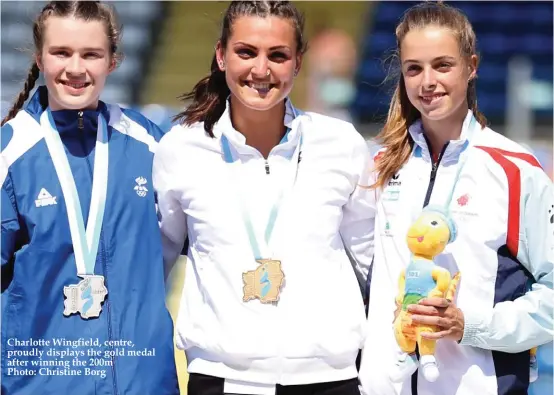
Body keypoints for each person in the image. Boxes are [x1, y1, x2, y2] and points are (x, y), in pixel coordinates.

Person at [153, 1, 375, 394]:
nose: (261, 69)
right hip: (222, 377)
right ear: (221, 55)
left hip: (329, 379)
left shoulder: (341, 144)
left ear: (298, 62)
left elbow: (371, 262)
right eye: (246, 52)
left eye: (278, 55)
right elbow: (156, 264)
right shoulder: (181, 150)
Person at [358, 2, 553, 395]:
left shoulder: (515, 169)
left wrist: (470, 324)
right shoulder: (377, 167)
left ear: (472, 66)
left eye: (442, 65)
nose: (427, 81)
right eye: (414, 68)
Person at [1, 2, 179, 394]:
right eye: (61, 52)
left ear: (113, 61)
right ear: (39, 57)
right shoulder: (10, 153)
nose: (76, 68)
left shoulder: (151, 144)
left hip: (143, 382)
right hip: (43, 384)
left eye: (91, 54)